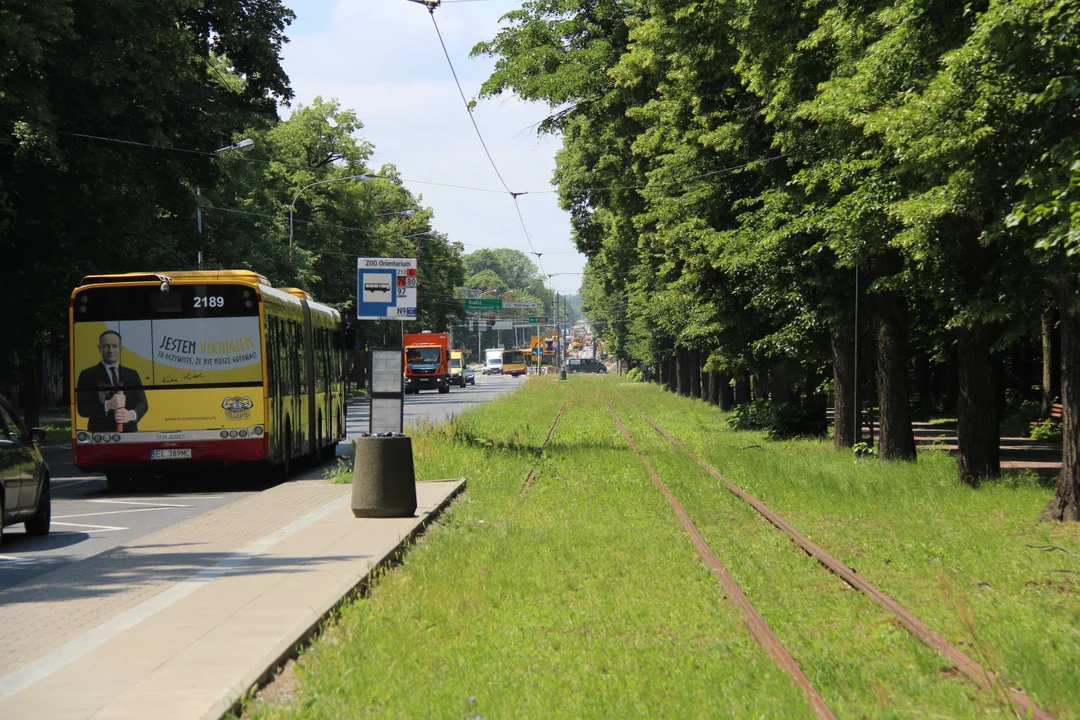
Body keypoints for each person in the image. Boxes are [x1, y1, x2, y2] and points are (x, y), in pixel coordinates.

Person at [76, 330, 148, 432]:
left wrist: (131, 415)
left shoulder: (132, 374)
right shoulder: (87, 375)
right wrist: (108, 405)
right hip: (100, 434)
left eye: (114, 346)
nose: (110, 350)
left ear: (121, 348)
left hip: (129, 432)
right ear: (99, 348)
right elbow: (82, 409)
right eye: (106, 346)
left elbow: (143, 403)